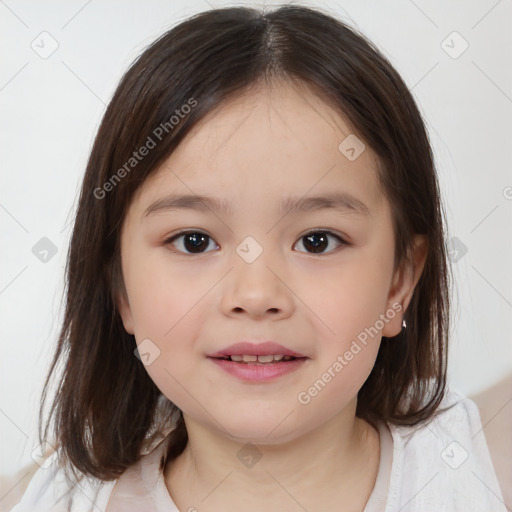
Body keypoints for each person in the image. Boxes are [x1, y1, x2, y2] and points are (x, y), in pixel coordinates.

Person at [10, 4, 508, 511]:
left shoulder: (480, 468)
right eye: (194, 241)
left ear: (400, 281)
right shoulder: (44, 500)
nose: (256, 295)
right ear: (120, 286)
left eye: (318, 240)